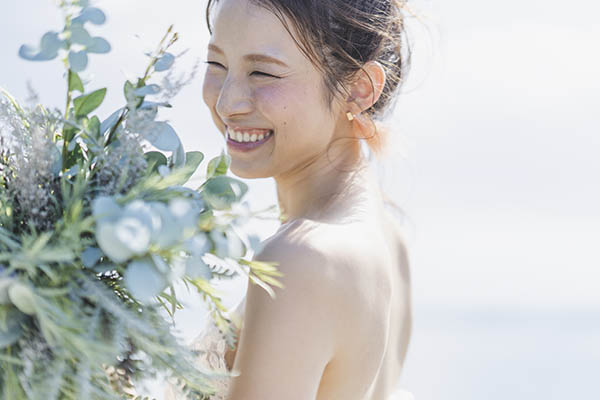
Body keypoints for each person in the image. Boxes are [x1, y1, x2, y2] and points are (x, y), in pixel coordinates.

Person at [166, 0, 414, 398]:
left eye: (262, 72)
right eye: (216, 65)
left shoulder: (300, 259)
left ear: (359, 88)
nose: (227, 102)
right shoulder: (388, 237)